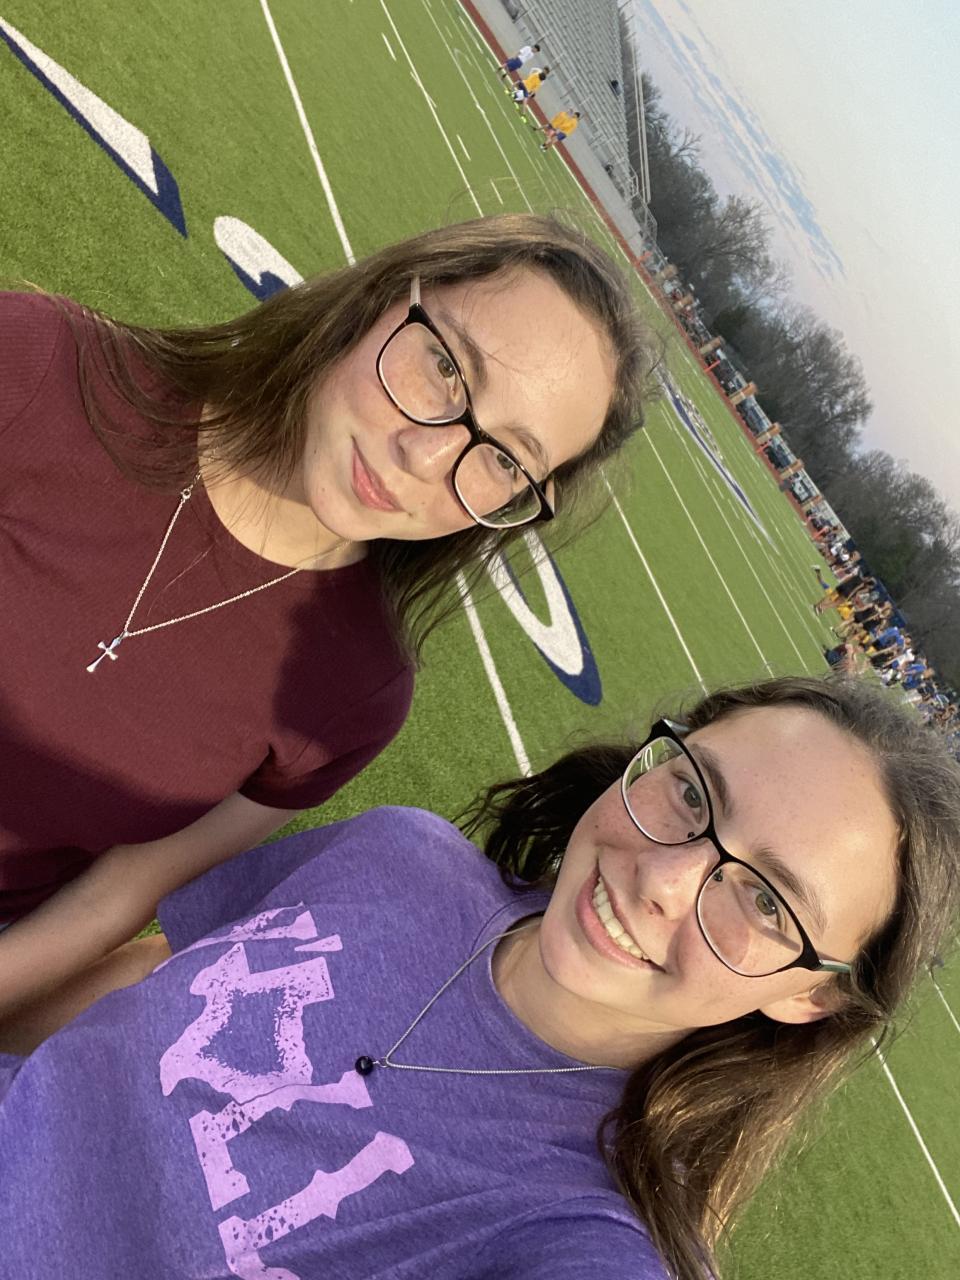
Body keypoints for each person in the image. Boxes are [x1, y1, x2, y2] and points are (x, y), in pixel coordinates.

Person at [2, 674, 959, 1279]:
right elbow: (147, 980)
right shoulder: (399, 853)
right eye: (692, 791)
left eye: (765, 901)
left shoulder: (584, 1228)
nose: (667, 881)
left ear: (810, 994)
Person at [0, 213, 654, 1020]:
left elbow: (112, 898)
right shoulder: (41, 365)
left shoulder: (353, 695)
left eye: (503, 458)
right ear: (383, 298)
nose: (426, 455)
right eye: (446, 368)